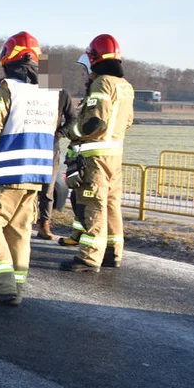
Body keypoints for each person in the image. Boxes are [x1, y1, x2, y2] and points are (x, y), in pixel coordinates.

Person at [0, 32, 59, 307]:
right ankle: (16, 290)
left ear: (7, 57)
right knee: (19, 231)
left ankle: (0, 285)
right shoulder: (51, 90)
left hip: (2, 174)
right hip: (37, 175)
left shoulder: (4, 89)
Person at [61, 34, 135, 272]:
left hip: (95, 158)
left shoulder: (101, 82)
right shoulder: (125, 86)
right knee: (111, 204)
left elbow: (94, 122)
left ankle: (88, 258)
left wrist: (71, 131)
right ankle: (113, 253)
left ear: (94, 59)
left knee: (93, 205)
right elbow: (129, 120)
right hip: (114, 157)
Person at [35, 67, 76, 239]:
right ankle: (21, 222)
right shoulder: (32, 93)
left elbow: (73, 118)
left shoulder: (62, 95)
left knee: (47, 189)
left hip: (51, 148)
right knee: (25, 187)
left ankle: (44, 226)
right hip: (30, 144)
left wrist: (58, 134)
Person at [58, 55, 91, 247]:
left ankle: (90, 250)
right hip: (79, 154)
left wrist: (63, 133)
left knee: (88, 202)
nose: (82, 74)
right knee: (77, 197)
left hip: (87, 156)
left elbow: (76, 122)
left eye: (84, 70)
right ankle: (78, 234)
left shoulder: (60, 94)